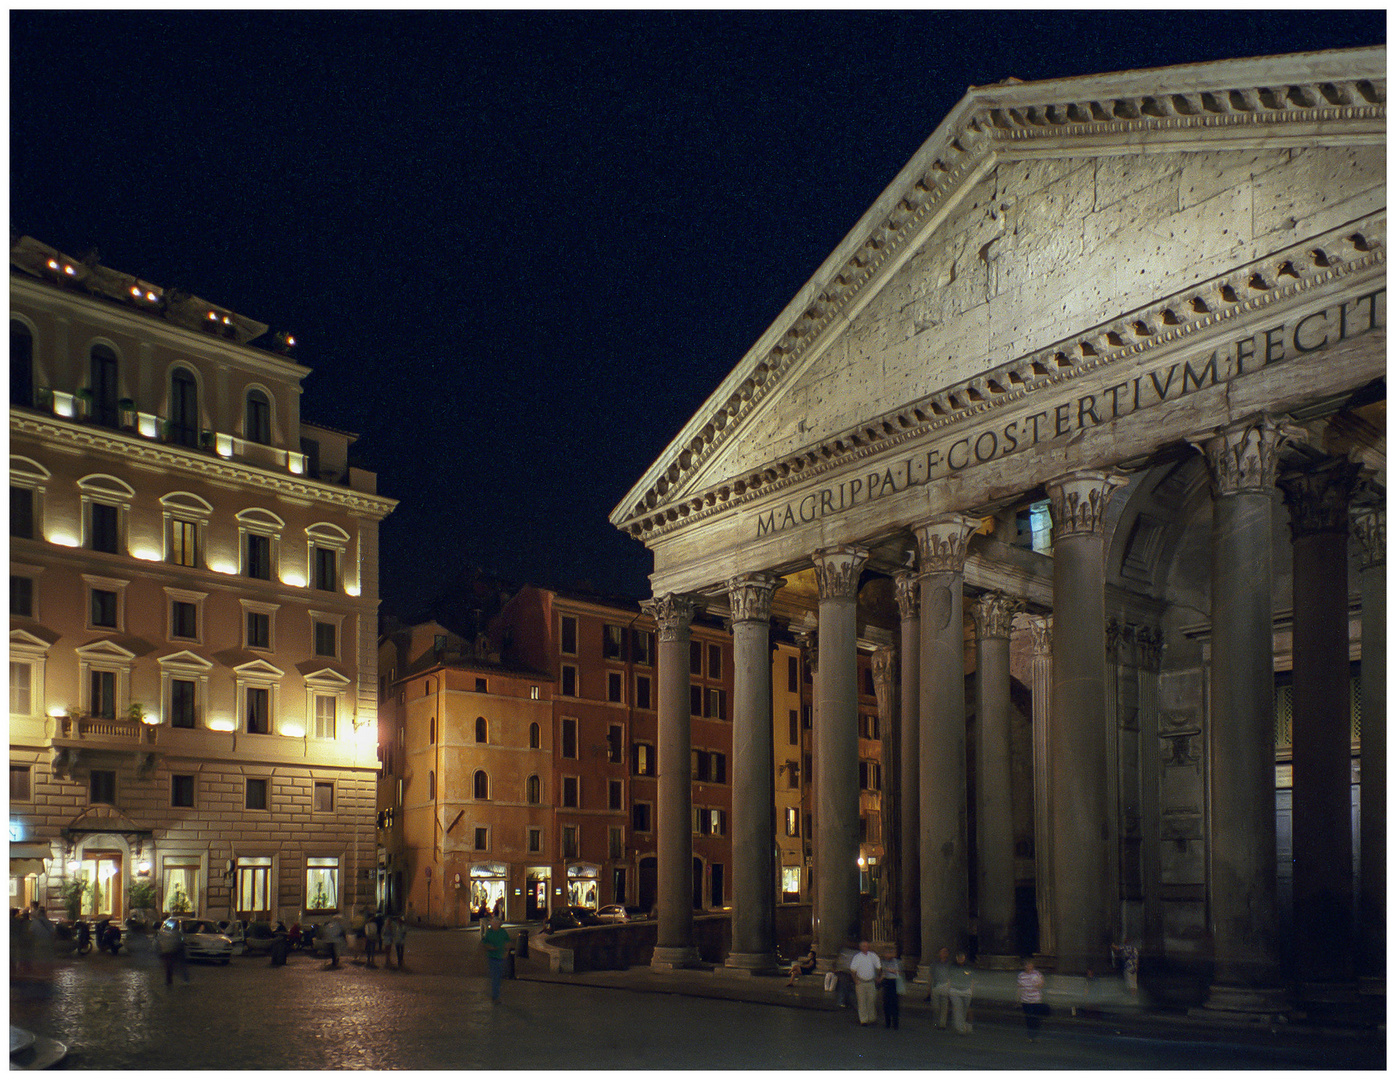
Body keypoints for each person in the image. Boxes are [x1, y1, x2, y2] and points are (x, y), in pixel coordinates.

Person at [848, 940, 882, 1026]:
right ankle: (864, 1020)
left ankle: (871, 1018)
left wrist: (878, 976)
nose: (866, 948)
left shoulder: (873, 956)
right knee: (861, 1001)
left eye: (867, 946)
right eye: (864, 946)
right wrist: (855, 980)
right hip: (861, 982)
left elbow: (878, 967)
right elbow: (853, 970)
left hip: (871, 981)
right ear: (860, 947)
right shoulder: (857, 957)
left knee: (871, 1000)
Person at [481, 915, 511, 1002]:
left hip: (500, 956)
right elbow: (484, 942)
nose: (491, 924)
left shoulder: (503, 932)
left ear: (498, 924)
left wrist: (506, 952)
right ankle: (495, 996)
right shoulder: (489, 932)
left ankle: (496, 994)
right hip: (492, 957)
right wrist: (489, 947)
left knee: (497, 977)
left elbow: (508, 942)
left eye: (493, 923)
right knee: (496, 977)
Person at [1018, 958, 1047, 1039]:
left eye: (1030, 965)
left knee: (1035, 1018)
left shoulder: (1037, 974)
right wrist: (1018, 998)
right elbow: (1019, 987)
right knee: (1028, 1018)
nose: (1028, 966)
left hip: (1035, 1000)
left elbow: (1042, 985)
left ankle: (1036, 1035)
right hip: (1025, 1000)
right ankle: (1030, 1036)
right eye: (1027, 965)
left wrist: (1036, 984)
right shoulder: (1021, 976)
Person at [947, 951, 974, 1034]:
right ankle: (960, 1028)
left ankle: (964, 1025)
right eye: (959, 957)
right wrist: (949, 989)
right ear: (957, 958)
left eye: (962, 957)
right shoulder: (953, 967)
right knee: (958, 1008)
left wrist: (971, 990)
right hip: (955, 990)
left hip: (966, 990)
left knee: (965, 1009)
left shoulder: (968, 967)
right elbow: (949, 978)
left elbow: (972, 979)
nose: (961, 959)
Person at [157, 920, 190, 987]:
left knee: (171, 967)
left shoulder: (171, 934)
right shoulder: (176, 934)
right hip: (176, 952)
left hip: (172, 952)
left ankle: (170, 981)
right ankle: (184, 979)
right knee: (179, 967)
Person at [927, 946, 952, 1028]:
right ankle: (936, 1021)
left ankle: (942, 1024)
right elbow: (931, 976)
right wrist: (929, 988)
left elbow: (950, 976)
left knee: (944, 1006)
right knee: (936, 1006)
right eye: (942, 951)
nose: (944, 953)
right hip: (936, 985)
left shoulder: (949, 964)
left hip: (945, 985)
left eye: (945, 952)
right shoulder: (934, 964)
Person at [881, 948, 903, 1030]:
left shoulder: (897, 962)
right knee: (886, 1003)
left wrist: (891, 970)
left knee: (895, 1004)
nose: (888, 955)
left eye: (889, 953)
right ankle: (888, 1022)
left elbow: (899, 972)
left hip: (894, 982)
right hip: (887, 982)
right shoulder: (883, 962)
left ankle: (895, 1023)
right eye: (886, 953)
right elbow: (882, 971)